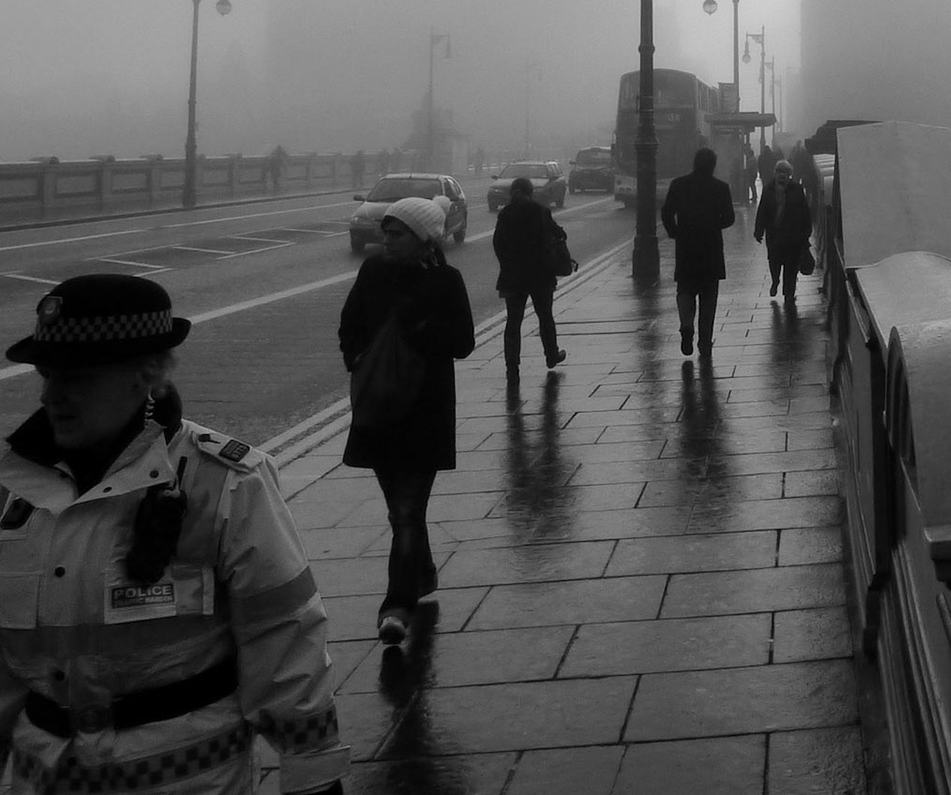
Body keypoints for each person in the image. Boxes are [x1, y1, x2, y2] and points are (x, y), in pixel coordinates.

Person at [0, 274, 350, 795]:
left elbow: (284, 638)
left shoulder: (225, 481)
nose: (52, 395)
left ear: (148, 375)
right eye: (48, 375)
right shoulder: (11, 492)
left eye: (78, 378)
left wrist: (315, 778)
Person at [337, 196, 475, 646]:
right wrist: (356, 357)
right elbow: (349, 323)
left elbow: (463, 342)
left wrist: (417, 327)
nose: (386, 240)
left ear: (423, 237)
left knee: (406, 511)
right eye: (386, 231)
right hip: (378, 408)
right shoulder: (373, 272)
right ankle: (425, 570)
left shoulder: (446, 281)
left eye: (397, 233)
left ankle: (396, 606)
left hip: (424, 410)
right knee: (402, 510)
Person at [659, 147, 734, 363]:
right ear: (713, 165)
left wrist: (675, 232)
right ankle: (705, 343)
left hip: (686, 248)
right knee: (709, 298)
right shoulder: (721, 188)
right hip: (710, 250)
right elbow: (729, 218)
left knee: (685, 289)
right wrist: (713, 225)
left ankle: (686, 325)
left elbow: (666, 212)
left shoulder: (679, 184)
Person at [493, 176, 567, 377]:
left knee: (513, 322)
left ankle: (512, 366)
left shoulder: (505, 214)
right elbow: (559, 234)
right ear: (530, 192)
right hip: (540, 274)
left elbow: (498, 243)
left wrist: (507, 264)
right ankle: (551, 355)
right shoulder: (540, 211)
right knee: (545, 317)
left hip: (513, 275)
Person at [753, 159, 814, 306]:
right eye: (779, 171)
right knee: (774, 262)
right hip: (775, 236)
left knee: (791, 267)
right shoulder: (768, 189)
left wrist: (806, 231)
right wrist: (758, 230)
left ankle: (789, 294)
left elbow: (804, 211)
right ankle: (775, 281)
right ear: (775, 173)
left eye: (785, 172)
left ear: (789, 174)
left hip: (793, 237)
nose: (782, 175)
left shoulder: (797, 189)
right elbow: (762, 211)